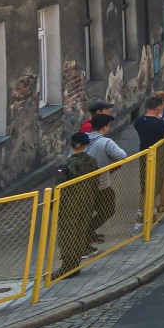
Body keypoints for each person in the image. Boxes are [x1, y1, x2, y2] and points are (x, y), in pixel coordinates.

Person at [52, 133, 99, 280]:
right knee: (80, 232)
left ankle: (67, 267)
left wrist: (54, 206)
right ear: (86, 145)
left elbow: (59, 188)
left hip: (69, 204)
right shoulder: (92, 161)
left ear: (71, 144)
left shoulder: (65, 165)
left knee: (67, 236)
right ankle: (75, 264)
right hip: (87, 202)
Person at [84, 113, 126, 243]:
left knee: (87, 212)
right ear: (105, 127)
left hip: (81, 184)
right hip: (101, 183)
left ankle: (87, 233)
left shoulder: (83, 138)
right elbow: (122, 155)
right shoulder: (106, 142)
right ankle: (87, 234)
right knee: (107, 210)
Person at [134, 94, 164, 214]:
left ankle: (144, 211)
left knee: (144, 183)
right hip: (158, 156)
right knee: (156, 183)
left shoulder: (138, 121)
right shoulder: (160, 124)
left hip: (143, 154)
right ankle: (153, 210)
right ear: (158, 109)